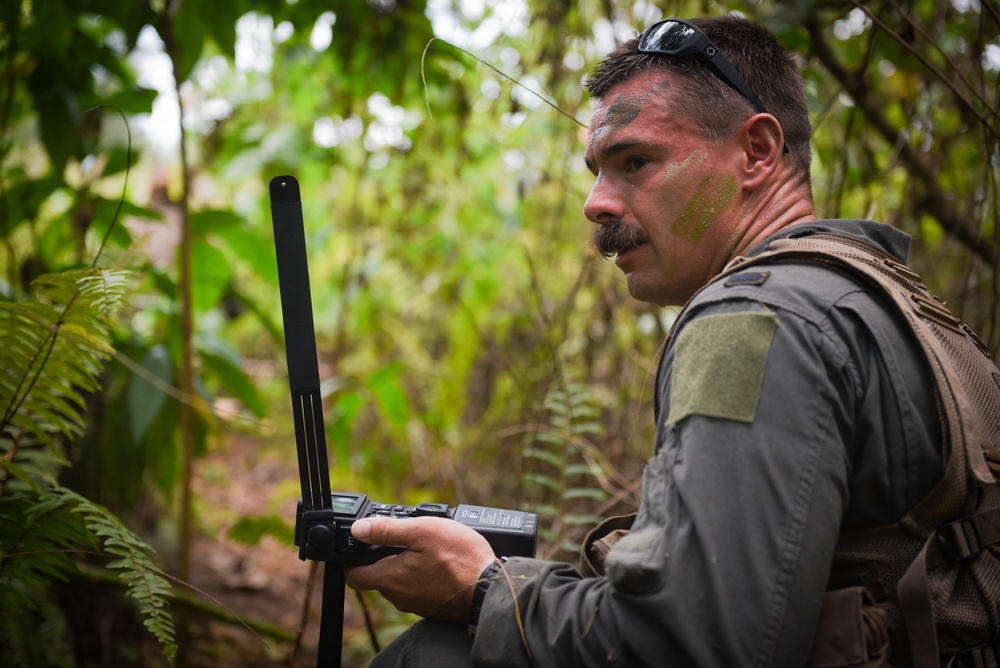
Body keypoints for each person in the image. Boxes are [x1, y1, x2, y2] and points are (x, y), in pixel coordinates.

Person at [344, 15, 956, 666]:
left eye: (634, 161)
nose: (595, 204)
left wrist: (487, 589)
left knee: (436, 655)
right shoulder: (895, 301)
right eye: (597, 171)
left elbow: (696, 643)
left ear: (756, 153)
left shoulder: (755, 320)